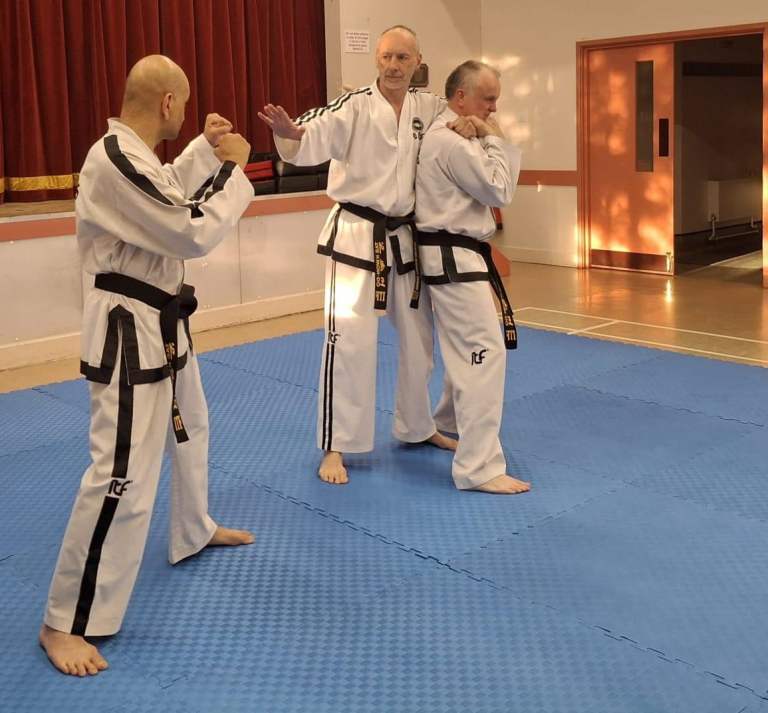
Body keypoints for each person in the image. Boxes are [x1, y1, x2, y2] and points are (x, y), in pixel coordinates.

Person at [39, 55, 256, 676]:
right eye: (183, 105)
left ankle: (193, 527)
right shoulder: (112, 158)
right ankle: (65, 622)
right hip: (129, 332)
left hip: (161, 320)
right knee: (122, 474)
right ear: (167, 102)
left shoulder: (132, 156)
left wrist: (204, 151)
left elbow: (164, 190)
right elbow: (187, 228)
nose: (184, 113)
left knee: (192, 430)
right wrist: (234, 167)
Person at [259, 26, 465, 485]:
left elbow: (459, 120)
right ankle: (337, 444)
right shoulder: (352, 105)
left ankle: (417, 426)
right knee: (348, 341)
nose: (393, 66)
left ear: (417, 62)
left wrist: (477, 120)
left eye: (403, 58)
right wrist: (291, 134)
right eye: (387, 56)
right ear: (376, 58)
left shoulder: (428, 108)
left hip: (403, 238)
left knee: (419, 339)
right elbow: (311, 130)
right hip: (354, 236)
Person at [415, 60, 531, 495]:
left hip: (453, 257)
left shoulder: (453, 135)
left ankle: (447, 419)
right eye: (488, 99)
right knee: (484, 353)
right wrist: (493, 138)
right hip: (454, 259)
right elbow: (499, 190)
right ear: (460, 98)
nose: (493, 108)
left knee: (463, 349)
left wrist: (482, 133)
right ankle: (478, 467)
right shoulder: (451, 142)